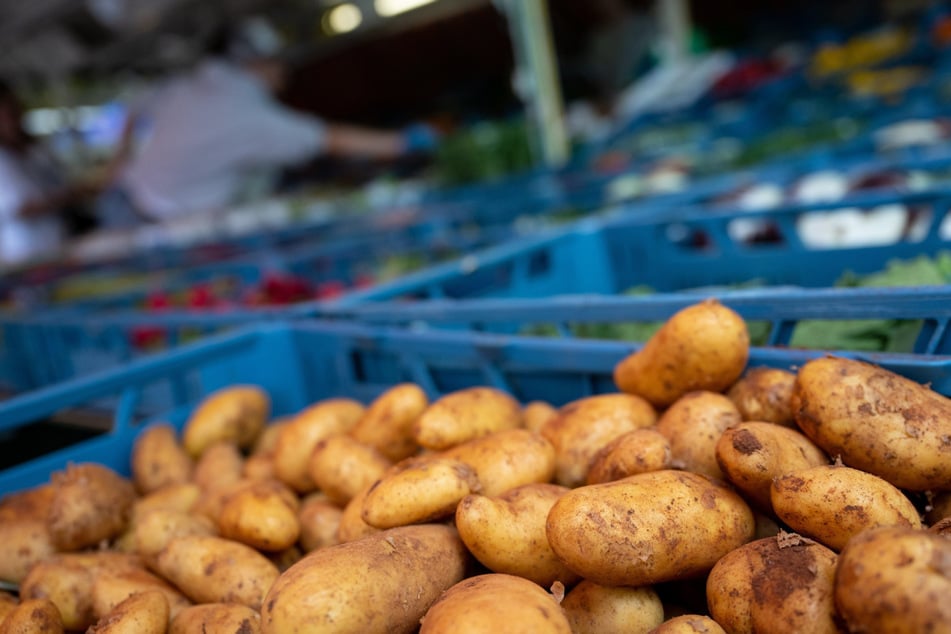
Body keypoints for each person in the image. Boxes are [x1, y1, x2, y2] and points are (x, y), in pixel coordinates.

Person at [101, 23, 438, 226]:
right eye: (278, 61)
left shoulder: (203, 80)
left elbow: (136, 106)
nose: (284, 71)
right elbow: (329, 139)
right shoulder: (247, 115)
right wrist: (402, 142)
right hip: (156, 220)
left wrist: (120, 157)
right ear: (258, 63)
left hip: (124, 196)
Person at [0, 81, 99, 266]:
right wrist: (72, 196)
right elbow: (20, 209)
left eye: (15, 112)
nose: (13, 120)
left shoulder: (36, 150)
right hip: (25, 253)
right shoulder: (4, 158)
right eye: (7, 115)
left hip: (59, 241)